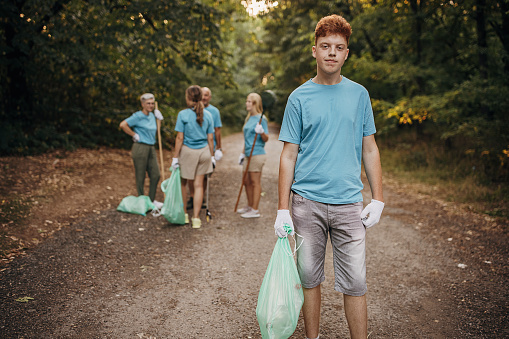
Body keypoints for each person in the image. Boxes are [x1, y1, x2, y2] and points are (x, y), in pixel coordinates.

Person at [274, 15, 384, 339]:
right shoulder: (299, 98)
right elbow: (288, 155)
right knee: (309, 279)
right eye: (326, 46)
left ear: (346, 54)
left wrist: (378, 198)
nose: (332, 53)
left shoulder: (360, 95)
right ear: (314, 51)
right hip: (306, 204)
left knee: (356, 283)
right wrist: (283, 208)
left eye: (339, 47)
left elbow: (370, 149)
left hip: (350, 205)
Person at [172, 85, 215, 229]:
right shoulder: (208, 115)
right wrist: (212, 155)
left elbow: (179, 138)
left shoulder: (183, 115)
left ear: (189, 97)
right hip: (204, 152)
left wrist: (175, 157)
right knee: (198, 185)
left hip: (188, 152)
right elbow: (210, 138)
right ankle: (196, 218)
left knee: (184, 184)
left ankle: (184, 215)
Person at [119, 93, 164, 209]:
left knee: (155, 174)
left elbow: (157, 131)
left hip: (151, 147)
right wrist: (134, 134)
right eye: (148, 103)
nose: (151, 105)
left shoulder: (152, 116)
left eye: (152, 103)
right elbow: (123, 125)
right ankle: (141, 201)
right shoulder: (137, 116)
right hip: (140, 147)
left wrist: (159, 119)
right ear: (142, 104)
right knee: (140, 175)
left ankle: (151, 200)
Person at [186, 86, 223, 210]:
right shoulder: (190, 111)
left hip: (208, 148)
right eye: (203, 94)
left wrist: (219, 148)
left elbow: (217, 131)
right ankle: (193, 197)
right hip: (194, 148)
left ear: (210, 97)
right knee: (192, 175)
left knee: (205, 176)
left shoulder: (214, 112)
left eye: (207, 95)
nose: (205, 97)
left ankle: (200, 198)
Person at [236, 93, 269, 218]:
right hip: (248, 154)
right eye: (247, 101)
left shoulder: (262, 119)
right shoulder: (249, 118)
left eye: (249, 101)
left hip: (257, 154)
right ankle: (249, 206)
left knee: (255, 182)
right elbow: (246, 139)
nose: (247, 103)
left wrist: (261, 132)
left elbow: (266, 138)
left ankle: (255, 210)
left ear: (255, 103)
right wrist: (242, 153)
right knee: (246, 181)